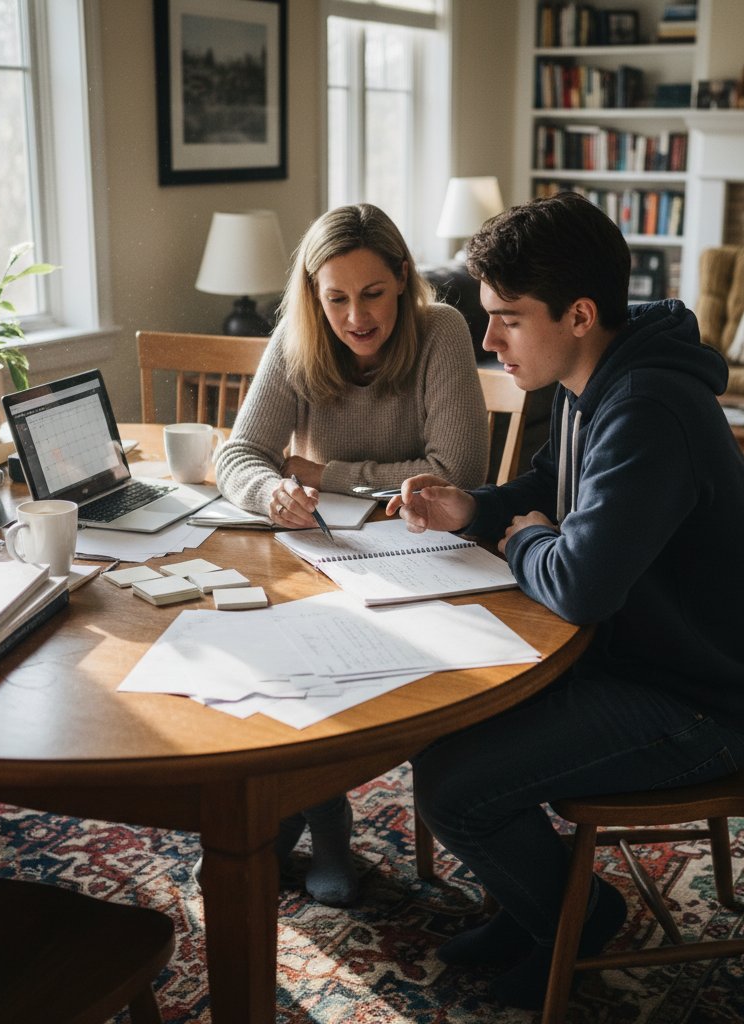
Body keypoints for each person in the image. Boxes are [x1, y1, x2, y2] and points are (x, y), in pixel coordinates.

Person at [386, 192, 744, 1010]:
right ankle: (542, 911)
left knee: (458, 790)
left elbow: (580, 583)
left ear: (577, 313)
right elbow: (552, 486)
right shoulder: (597, 371)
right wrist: (478, 508)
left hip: (697, 704)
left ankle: (581, 913)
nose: (489, 339)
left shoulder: (648, 407)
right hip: (640, 659)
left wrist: (528, 539)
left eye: (506, 318)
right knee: (442, 738)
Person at [215, 203, 489, 907]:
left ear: (403, 277)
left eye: (371, 293)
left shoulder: (442, 331)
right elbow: (240, 453)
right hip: (322, 546)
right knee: (268, 638)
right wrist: (274, 488)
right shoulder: (295, 339)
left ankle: (310, 817)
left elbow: (454, 468)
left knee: (339, 655)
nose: (355, 317)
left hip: (421, 548)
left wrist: (324, 473)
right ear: (312, 293)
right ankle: (316, 815)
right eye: (334, 297)